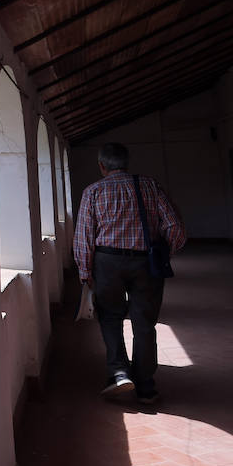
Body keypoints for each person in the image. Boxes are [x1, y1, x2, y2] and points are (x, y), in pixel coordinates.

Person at [73, 142, 186, 404]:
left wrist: (84, 270)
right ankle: (146, 386)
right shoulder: (149, 185)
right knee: (144, 323)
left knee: (110, 317)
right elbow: (175, 227)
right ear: (126, 162)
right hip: (145, 262)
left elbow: (84, 236)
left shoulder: (93, 191)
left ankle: (119, 372)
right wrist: (165, 252)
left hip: (107, 262)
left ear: (101, 165)